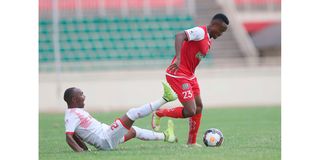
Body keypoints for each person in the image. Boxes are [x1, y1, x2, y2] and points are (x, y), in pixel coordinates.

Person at [151, 13, 229, 147]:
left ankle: (191, 142)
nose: (220, 34)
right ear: (215, 25)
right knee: (190, 111)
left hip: (190, 75)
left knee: (199, 107)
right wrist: (179, 57)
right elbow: (179, 36)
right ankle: (159, 113)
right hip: (178, 74)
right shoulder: (200, 32)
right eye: (221, 31)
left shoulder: (208, 40)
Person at [64, 82, 178, 152]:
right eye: (81, 94)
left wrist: (85, 150)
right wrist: (80, 152)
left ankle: (167, 136)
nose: (84, 96)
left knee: (134, 131)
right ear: (74, 99)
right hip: (106, 138)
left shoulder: (75, 112)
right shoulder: (72, 115)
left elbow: (75, 135)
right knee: (132, 113)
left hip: (107, 137)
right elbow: (69, 137)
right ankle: (166, 98)